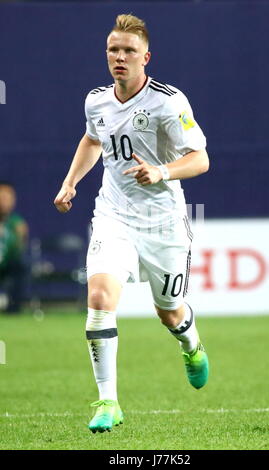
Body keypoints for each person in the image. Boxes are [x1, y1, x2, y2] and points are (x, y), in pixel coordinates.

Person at [54, 14, 210, 434]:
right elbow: (92, 139)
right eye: (113, 50)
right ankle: (108, 401)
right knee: (100, 297)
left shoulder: (169, 101)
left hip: (163, 224)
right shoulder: (96, 100)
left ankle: (191, 343)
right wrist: (71, 182)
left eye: (128, 51)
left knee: (169, 312)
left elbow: (200, 158)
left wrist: (161, 171)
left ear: (146, 57)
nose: (119, 57)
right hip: (113, 216)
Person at [0, 182, 28, 313]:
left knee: (19, 266)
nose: (5, 201)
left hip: (7, 262)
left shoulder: (17, 222)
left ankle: (13, 308)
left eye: (8, 198)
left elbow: (19, 248)